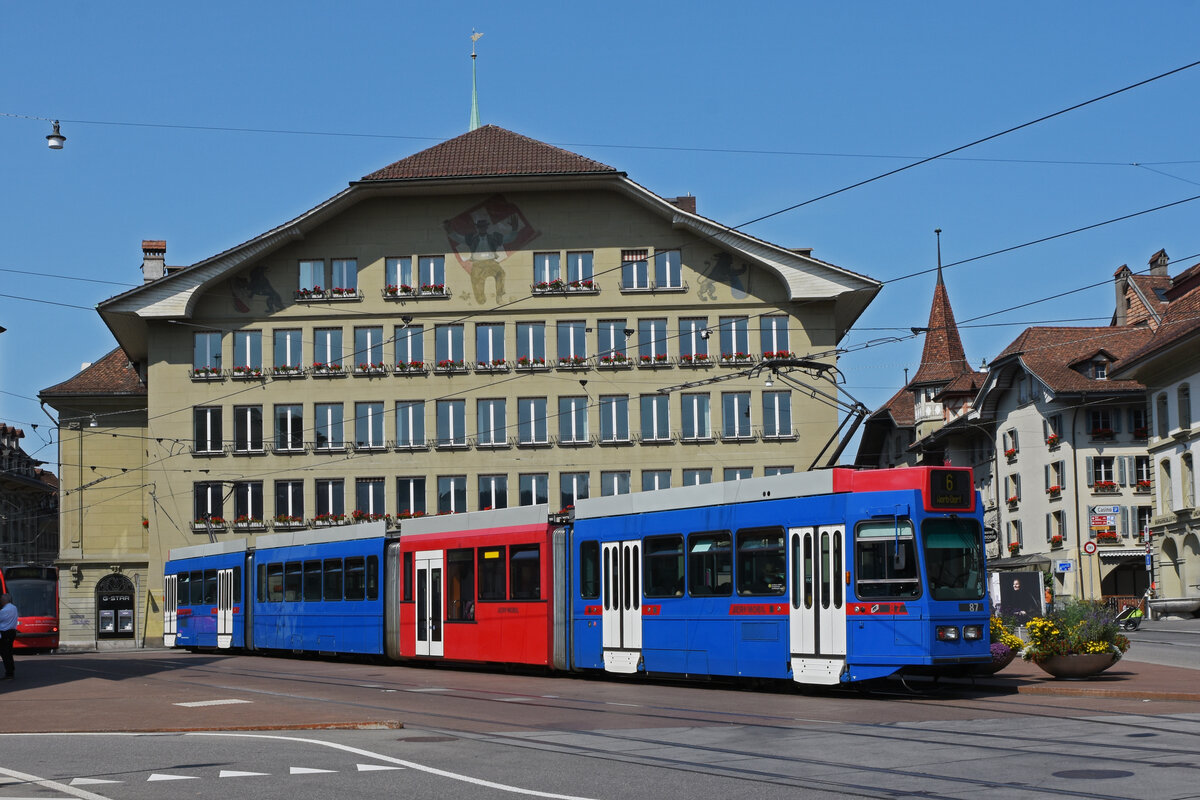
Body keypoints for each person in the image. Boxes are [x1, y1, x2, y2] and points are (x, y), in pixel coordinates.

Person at [0, 593, 17, 680]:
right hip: (12, 632)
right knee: (9, 652)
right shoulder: (14, 608)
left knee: (5, 654)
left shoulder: (4, 611)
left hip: (5, 633)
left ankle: (9, 673)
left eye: (1, 600)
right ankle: (11, 670)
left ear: (5, 600)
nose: (1, 601)